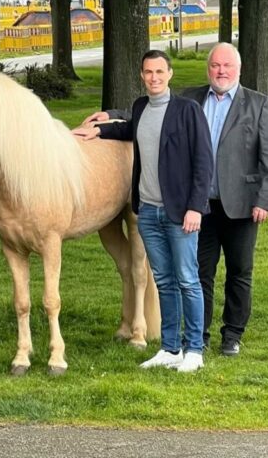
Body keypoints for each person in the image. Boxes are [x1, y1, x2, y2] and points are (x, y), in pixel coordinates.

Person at [73, 50, 213, 373]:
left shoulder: (188, 111)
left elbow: (204, 163)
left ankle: (194, 350)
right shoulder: (141, 107)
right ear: (142, 75)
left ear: (170, 74)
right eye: (148, 72)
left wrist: (195, 208)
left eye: (159, 72)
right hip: (148, 212)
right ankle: (169, 348)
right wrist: (98, 131)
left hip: (181, 213)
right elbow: (129, 129)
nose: (154, 78)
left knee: (188, 279)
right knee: (163, 280)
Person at [181, 42, 268, 357]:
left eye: (227, 66)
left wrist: (263, 200)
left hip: (242, 207)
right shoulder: (188, 99)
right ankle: (199, 336)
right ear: (207, 68)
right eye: (215, 66)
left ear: (238, 69)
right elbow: (150, 113)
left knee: (239, 272)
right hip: (201, 207)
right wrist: (110, 119)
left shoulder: (258, 104)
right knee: (199, 273)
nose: (221, 71)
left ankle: (232, 335)